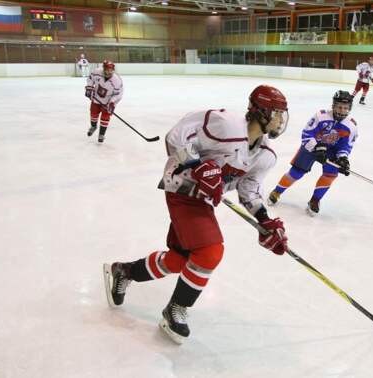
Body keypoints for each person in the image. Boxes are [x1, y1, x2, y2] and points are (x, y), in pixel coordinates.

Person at [103, 85, 290, 344]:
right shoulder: (226, 124)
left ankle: (124, 271)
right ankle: (175, 310)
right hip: (182, 187)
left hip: (203, 201)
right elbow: (176, 136)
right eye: (277, 113)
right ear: (259, 112)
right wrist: (197, 165)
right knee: (210, 251)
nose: (281, 120)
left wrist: (264, 221)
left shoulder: (265, 155)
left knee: (179, 260)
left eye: (283, 115)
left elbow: (249, 191)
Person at [268, 91, 357, 216]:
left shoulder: (351, 126)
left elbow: (345, 146)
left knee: (330, 175)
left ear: (349, 109)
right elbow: (306, 134)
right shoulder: (321, 116)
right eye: (339, 107)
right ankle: (277, 191)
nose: (342, 110)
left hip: (331, 152)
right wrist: (316, 147)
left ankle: (315, 200)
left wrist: (343, 159)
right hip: (311, 146)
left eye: (345, 108)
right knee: (297, 172)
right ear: (333, 105)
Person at [85, 60, 123, 143]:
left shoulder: (117, 80)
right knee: (93, 114)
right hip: (96, 97)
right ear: (104, 69)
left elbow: (118, 94)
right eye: (107, 70)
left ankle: (101, 134)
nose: (109, 72)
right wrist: (89, 88)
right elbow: (90, 79)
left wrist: (112, 103)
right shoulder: (97, 72)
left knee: (105, 117)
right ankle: (93, 127)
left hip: (108, 101)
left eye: (111, 70)